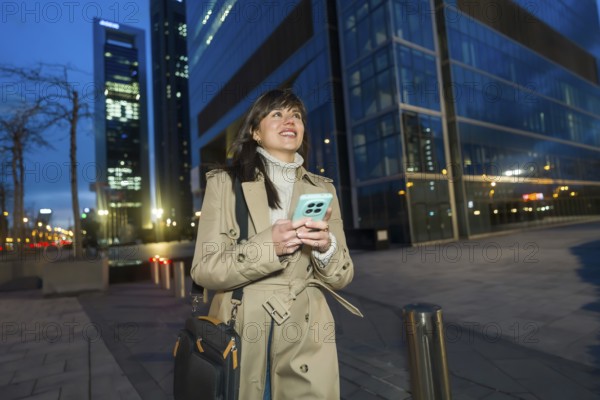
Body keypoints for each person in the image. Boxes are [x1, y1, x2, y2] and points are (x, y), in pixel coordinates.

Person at [190, 89, 361, 400]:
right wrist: (268, 246)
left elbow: (342, 276)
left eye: (295, 115)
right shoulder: (225, 184)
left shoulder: (322, 189)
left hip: (307, 331)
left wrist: (326, 248)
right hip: (245, 329)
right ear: (255, 131)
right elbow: (205, 269)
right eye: (277, 114)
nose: (289, 121)